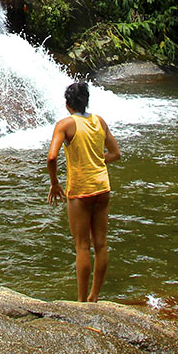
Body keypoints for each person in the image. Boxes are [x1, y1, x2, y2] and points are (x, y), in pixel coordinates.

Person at [47, 81, 121, 302]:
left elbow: (51, 157)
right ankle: (95, 296)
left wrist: (54, 183)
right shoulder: (100, 121)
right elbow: (115, 154)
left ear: (68, 104)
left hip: (80, 190)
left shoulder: (65, 125)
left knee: (82, 246)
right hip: (102, 187)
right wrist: (97, 161)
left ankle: (80, 302)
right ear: (86, 101)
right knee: (101, 244)